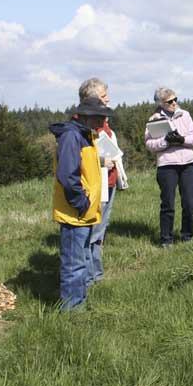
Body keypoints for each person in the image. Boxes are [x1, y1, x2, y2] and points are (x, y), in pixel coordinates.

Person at [49, 97, 113, 311]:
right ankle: (72, 312)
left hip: (84, 213)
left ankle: (79, 304)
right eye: (99, 117)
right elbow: (68, 176)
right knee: (74, 266)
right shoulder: (71, 136)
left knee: (81, 263)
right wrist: (82, 203)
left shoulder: (86, 135)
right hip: (75, 213)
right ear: (85, 116)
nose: (103, 121)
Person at [78, 78, 128, 284]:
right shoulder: (80, 124)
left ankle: (96, 274)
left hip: (109, 182)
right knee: (92, 231)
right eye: (103, 96)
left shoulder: (103, 122)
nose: (108, 99)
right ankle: (89, 277)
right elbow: (79, 155)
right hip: (95, 183)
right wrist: (100, 160)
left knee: (100, 231)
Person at [144, 87, 193, 247]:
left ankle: (187, 235)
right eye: (170, 101)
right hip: (167, 165)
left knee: (189, 203)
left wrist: (182, 140)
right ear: (161, 103)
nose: (174, 103)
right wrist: (166, 141)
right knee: (168, 203)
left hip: (187, 164)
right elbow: (149, 144)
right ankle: (166, 239)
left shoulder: (185, 114)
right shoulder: (154, 120)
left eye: (175, 99)